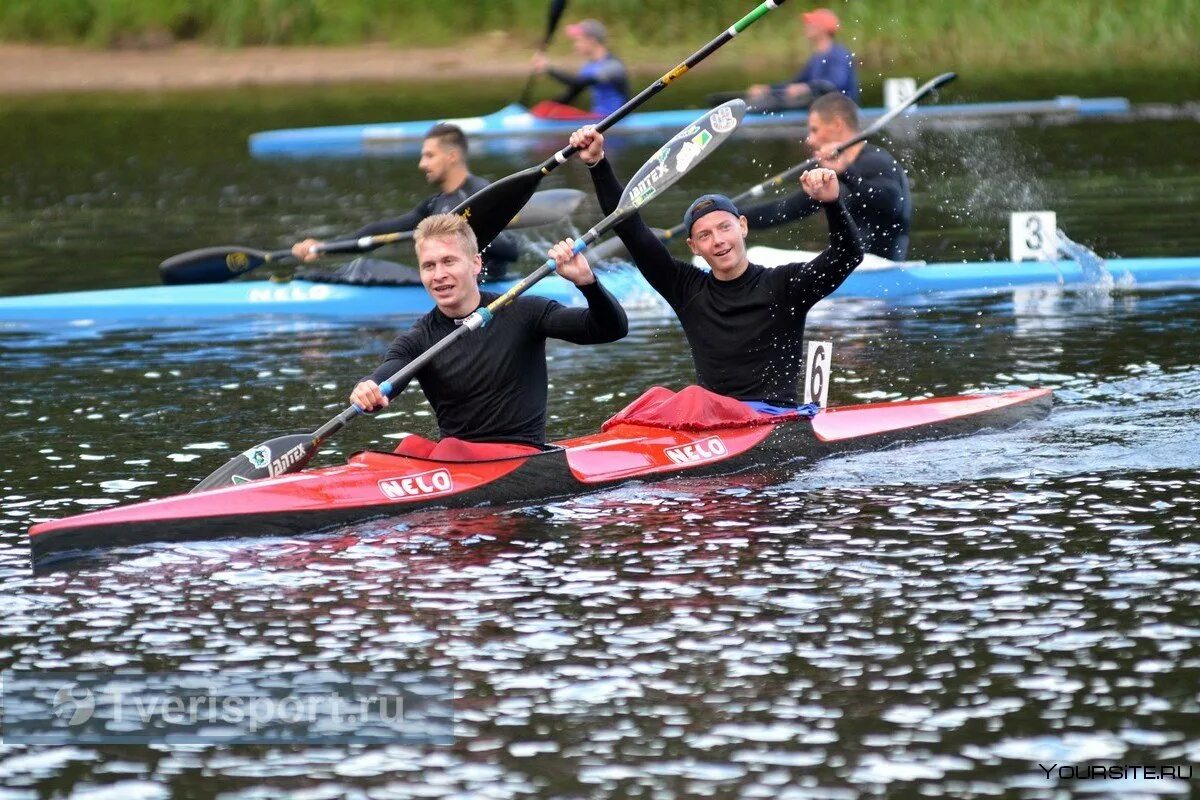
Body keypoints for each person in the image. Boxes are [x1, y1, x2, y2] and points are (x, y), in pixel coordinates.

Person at [572, 127, 863, 411]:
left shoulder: (785, 285)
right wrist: (598, 164)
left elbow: (848, 255)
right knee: (656, 399)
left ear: (743, 227)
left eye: (724, 227)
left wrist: (832, 203)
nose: (718, 241)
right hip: (713, 423)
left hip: (774, 420)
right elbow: (629, 228)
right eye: (705, 235)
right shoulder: (685, 288)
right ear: (694, 247)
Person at [349, 213, 627, 456]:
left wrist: (587, 283)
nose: (439, 275)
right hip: (456, 463)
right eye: (429, 266)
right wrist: (368, 389)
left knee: (447, 449)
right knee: (411, 447)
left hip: (520, 458)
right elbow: (387, 377)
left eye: (448, 261)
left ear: (475, 264)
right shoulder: (418, 338)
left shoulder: (524, 311)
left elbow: (610, 328)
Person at [292, 123, 520, 281]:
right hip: (449, 284)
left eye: (429, 155)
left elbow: (511, 250)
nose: (422, 164)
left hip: (481, 287)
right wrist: (324, 248)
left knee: (365, 269)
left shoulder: (481, 194)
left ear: (452, 157)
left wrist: (462, 230)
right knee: (361, 267)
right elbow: (380, 232)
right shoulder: (435, 205)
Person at [742, 92, 912, 260]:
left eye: (815, 130)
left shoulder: (877, 161)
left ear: (837, 125)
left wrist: (845, 173)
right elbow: (784, 211)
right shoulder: (831, 172)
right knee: (756, 253)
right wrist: (734, 217)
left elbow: (892, 203)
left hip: (881, 266)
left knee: (757, 257)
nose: (809, 139)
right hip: (852, 264)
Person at [747, 8, 858, 107]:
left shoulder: (839, 54)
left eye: (811, 24)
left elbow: (835, 83)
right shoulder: (816, 58)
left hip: (842, 110)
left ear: (822, 28)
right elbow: (794, 83)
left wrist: (806, 88)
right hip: (822, 107)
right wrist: (768, 90)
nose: (806, 26)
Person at [530, 19, 629, 119]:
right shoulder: (588, 67)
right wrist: (550, 106)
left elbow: (577, 83)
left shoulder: (612, 66)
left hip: (615, 119)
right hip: (598, 117)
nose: (575, 45)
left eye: (578, 40)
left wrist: (548, 69)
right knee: (545, 108)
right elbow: (573, 92)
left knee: (546, 110)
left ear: (592, 40)